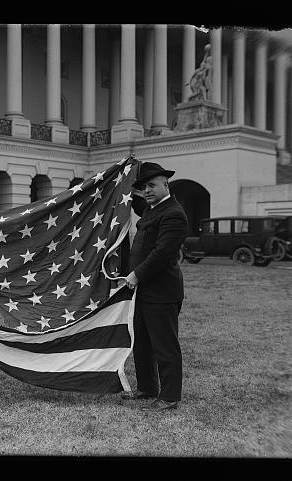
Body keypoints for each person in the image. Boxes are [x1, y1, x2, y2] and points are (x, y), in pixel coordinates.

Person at [121, 162, 189, 411]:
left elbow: (163, 254)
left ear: (165, 185)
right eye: (143, 187)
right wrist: (123, 178)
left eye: (151, 185)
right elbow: (134, 201)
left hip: (161, 291)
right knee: (142, 342)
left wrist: (136, 275)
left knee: (164, 345)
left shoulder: (174, 214)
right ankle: (147, 387)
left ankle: (170, 397)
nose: (146, 190)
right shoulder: (153, 210)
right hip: (143, 290)